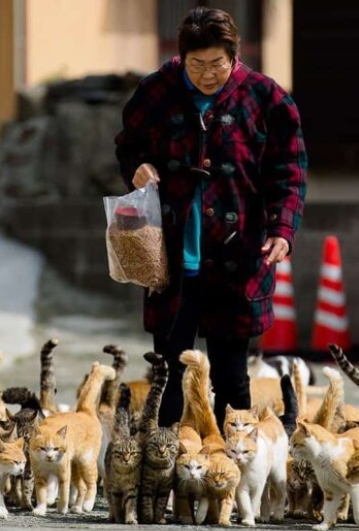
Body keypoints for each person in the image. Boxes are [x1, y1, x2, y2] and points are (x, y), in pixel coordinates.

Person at [114, 6, 307, 432]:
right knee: (167, 376)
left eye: (216, 63)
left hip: (238, 257)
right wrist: (137, 167)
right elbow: (129, 145)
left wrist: (282, 231)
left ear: (234, 56)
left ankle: (231, 476)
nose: (206, 74)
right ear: (182, 58)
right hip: (170, 259)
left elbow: (289, 173)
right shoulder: (157, 92)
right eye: (196, 64)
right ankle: (166, 471)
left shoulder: (267, 98)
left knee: (232, 379)